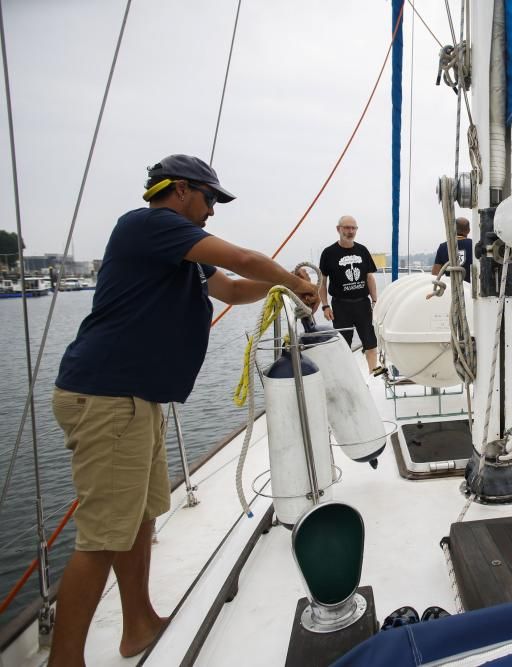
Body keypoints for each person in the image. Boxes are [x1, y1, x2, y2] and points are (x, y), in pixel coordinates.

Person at [48, 154, 317, 667]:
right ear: (179, 190)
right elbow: (245, 260)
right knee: (104, 534)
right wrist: (294, 281)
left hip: (134, 397)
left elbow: (235, 289)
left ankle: (138, 624)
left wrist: (284, 286)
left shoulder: (179, 252)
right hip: (109, 395)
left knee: (139, 520)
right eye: (210, 198)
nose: (212, 210)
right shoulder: (151, 225)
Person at [318, 215, 382, 373]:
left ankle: (373, 372)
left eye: (353, 228)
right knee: (343, 345)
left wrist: (375, 301)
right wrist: (325, 306)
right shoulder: (328, 253)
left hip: (362, 304)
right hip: (340, 306)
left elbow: (369, 277)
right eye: (346, 227)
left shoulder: (362, 250)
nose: (350, 231)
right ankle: (346, 376)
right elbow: (322, 283)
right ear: (338, 229)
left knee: (370, 342)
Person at [431, 216, 472, 282]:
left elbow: (435, 273)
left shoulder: (443, 247)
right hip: (471, 289)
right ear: (468, 231)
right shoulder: (474, 245)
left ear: (453, 229)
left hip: (451, 289)